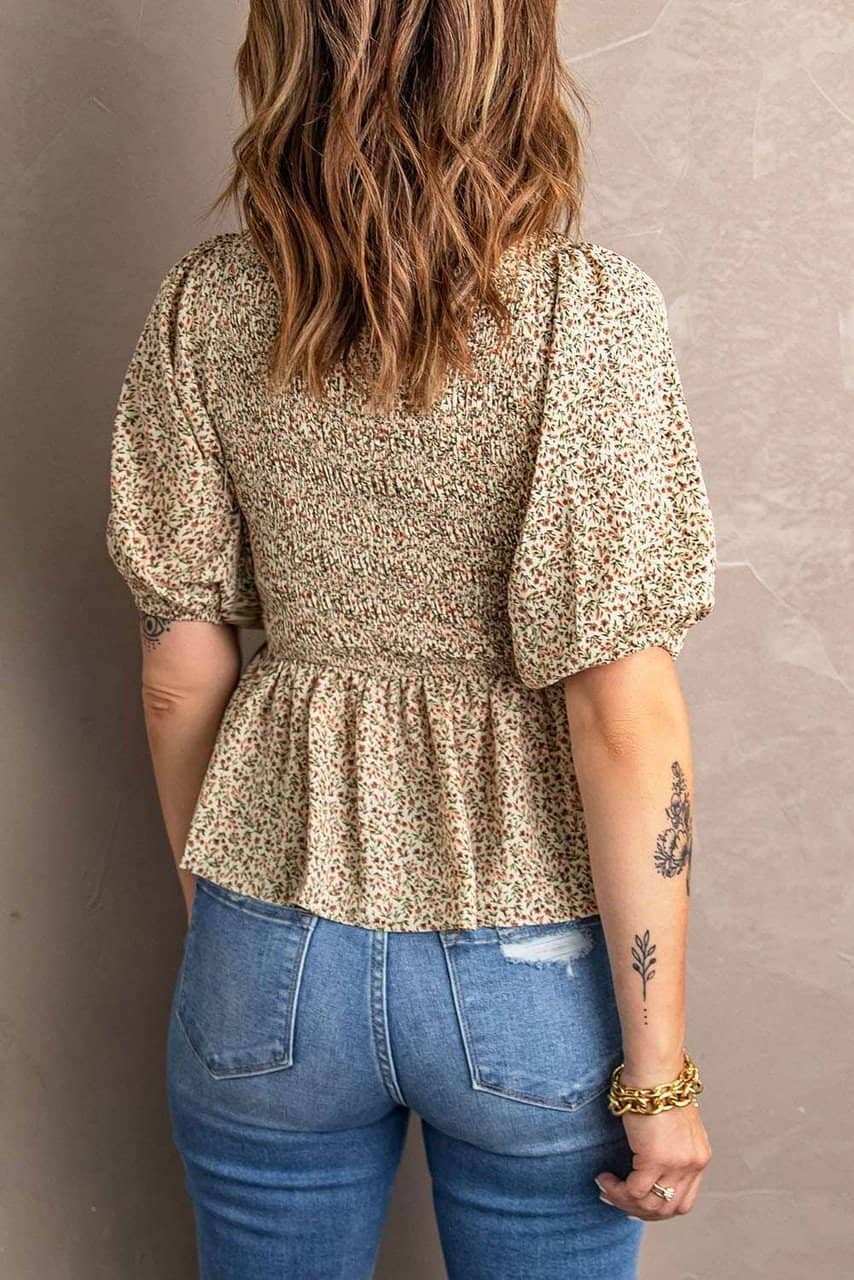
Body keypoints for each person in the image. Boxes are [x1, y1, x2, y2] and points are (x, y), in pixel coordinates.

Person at [104, 3, 716, 1277]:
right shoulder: (586, 316)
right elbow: (621, 715)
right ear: (508, 56)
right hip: (527, 956)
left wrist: (225, 912)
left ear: (286, 54)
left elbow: (179, 669)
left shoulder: (204, 305)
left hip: (266, 935)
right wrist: (658, 1081)